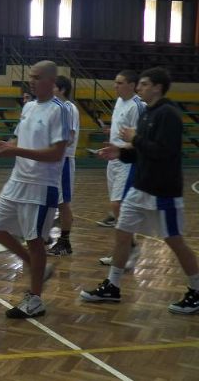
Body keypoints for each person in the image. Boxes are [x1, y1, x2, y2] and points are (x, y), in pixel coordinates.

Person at [80, 67, 199, 314]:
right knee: (123, 233)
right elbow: (143, 151)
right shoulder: (148, 113)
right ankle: (112, 286)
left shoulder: (168, 115)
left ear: (157, 87)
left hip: (162, 190)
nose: (139, 88)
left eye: (144, 84)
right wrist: (120, 152)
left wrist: (134, 139)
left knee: (174, 241)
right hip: (141, 186)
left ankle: (197, 289)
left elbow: (163, 152)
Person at [0, 60, 69, 318]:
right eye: (30, 77)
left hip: (41, 185)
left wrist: (17, 150)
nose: (31, 81)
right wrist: (7, 145)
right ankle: (36, 267)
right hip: (17, 180)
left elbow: (57, 153)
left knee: (34, 241)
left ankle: (35, 300)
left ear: (50, 81)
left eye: (36, 77)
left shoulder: (60, 111)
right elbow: (18, 138)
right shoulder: (29, 106)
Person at [97, 70, 146, 269]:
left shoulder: (138, 106)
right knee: (117, 206)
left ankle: (127, 250)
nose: (115, 86)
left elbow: (139, 137)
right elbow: (124, 129)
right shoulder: (119, 102)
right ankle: (126, 248)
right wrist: (111, 132)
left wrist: (121, 148)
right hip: (113, 159)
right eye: (115, 82)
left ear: (132, 85)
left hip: (127, 159)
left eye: (119, 83)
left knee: (118, 205)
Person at [47, 75, 79, 256]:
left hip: (64, 160)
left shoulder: (69, 108)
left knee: (63, 203)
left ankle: (65, 242)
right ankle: (46, 236)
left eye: (54, 87)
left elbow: (70, 136)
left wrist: (51, 148)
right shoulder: (56, 109)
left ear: (62, 90)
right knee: (52, 200)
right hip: (54, 161)